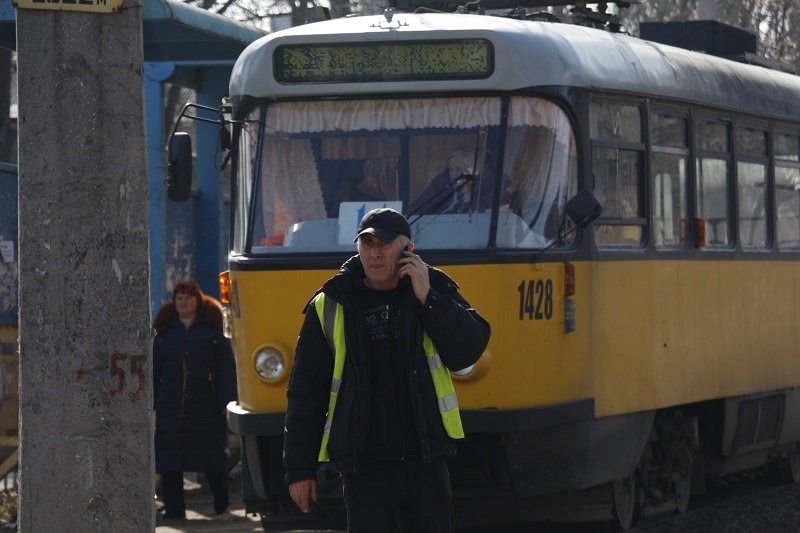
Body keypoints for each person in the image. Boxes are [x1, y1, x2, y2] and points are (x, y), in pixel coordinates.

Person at [283, 208, 491, 532]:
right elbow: (305, 391)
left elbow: (469, 348)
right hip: (365, 467)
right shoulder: (331, 303)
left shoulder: (433, 288)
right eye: (367, 244)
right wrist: (299, 470)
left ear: (407, 250)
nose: (375, 253)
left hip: (426, 462)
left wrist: (428, 298)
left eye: (384, 244)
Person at [152, 280, 237, 520]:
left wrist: (224, 400)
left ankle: (221, 503)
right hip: (171, 407)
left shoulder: (211, 330)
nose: (183, 302)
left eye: (188, 297)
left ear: (197, 301)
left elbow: (226, 367)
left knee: (211, 457)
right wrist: (154, 403)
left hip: (205, 405)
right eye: (179, 297)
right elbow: (155, 370)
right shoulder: (165, 333)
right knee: (169, 461)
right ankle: (175, 510)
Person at [408, 147, 507, 215]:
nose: (454, 174)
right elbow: (416, 209)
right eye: (450, 169)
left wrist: (468, 194)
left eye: (459, 169)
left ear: (475, 171)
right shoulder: (442, 183)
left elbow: (478, 220)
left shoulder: (493, 186)